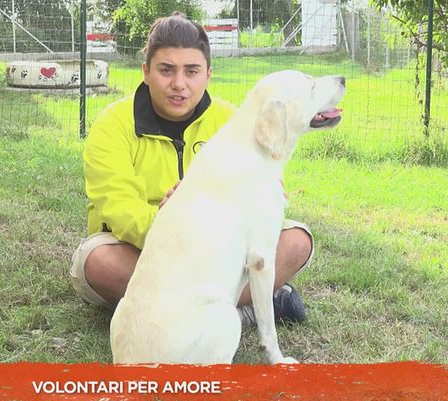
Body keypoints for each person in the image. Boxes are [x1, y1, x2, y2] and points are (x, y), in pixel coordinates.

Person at [70, 12, 313, 324]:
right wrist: (172, 225)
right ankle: (241, 307)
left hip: (218, 248)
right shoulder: (112, 124)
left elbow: (264, 191)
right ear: (146, 72)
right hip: (143, 249)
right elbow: (120, 211)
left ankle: (177, 315)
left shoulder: (232, 121)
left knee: (296, 241)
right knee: (99, 262)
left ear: (208, 74)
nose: (179, 84)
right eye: (166, 70)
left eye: (192, 71)